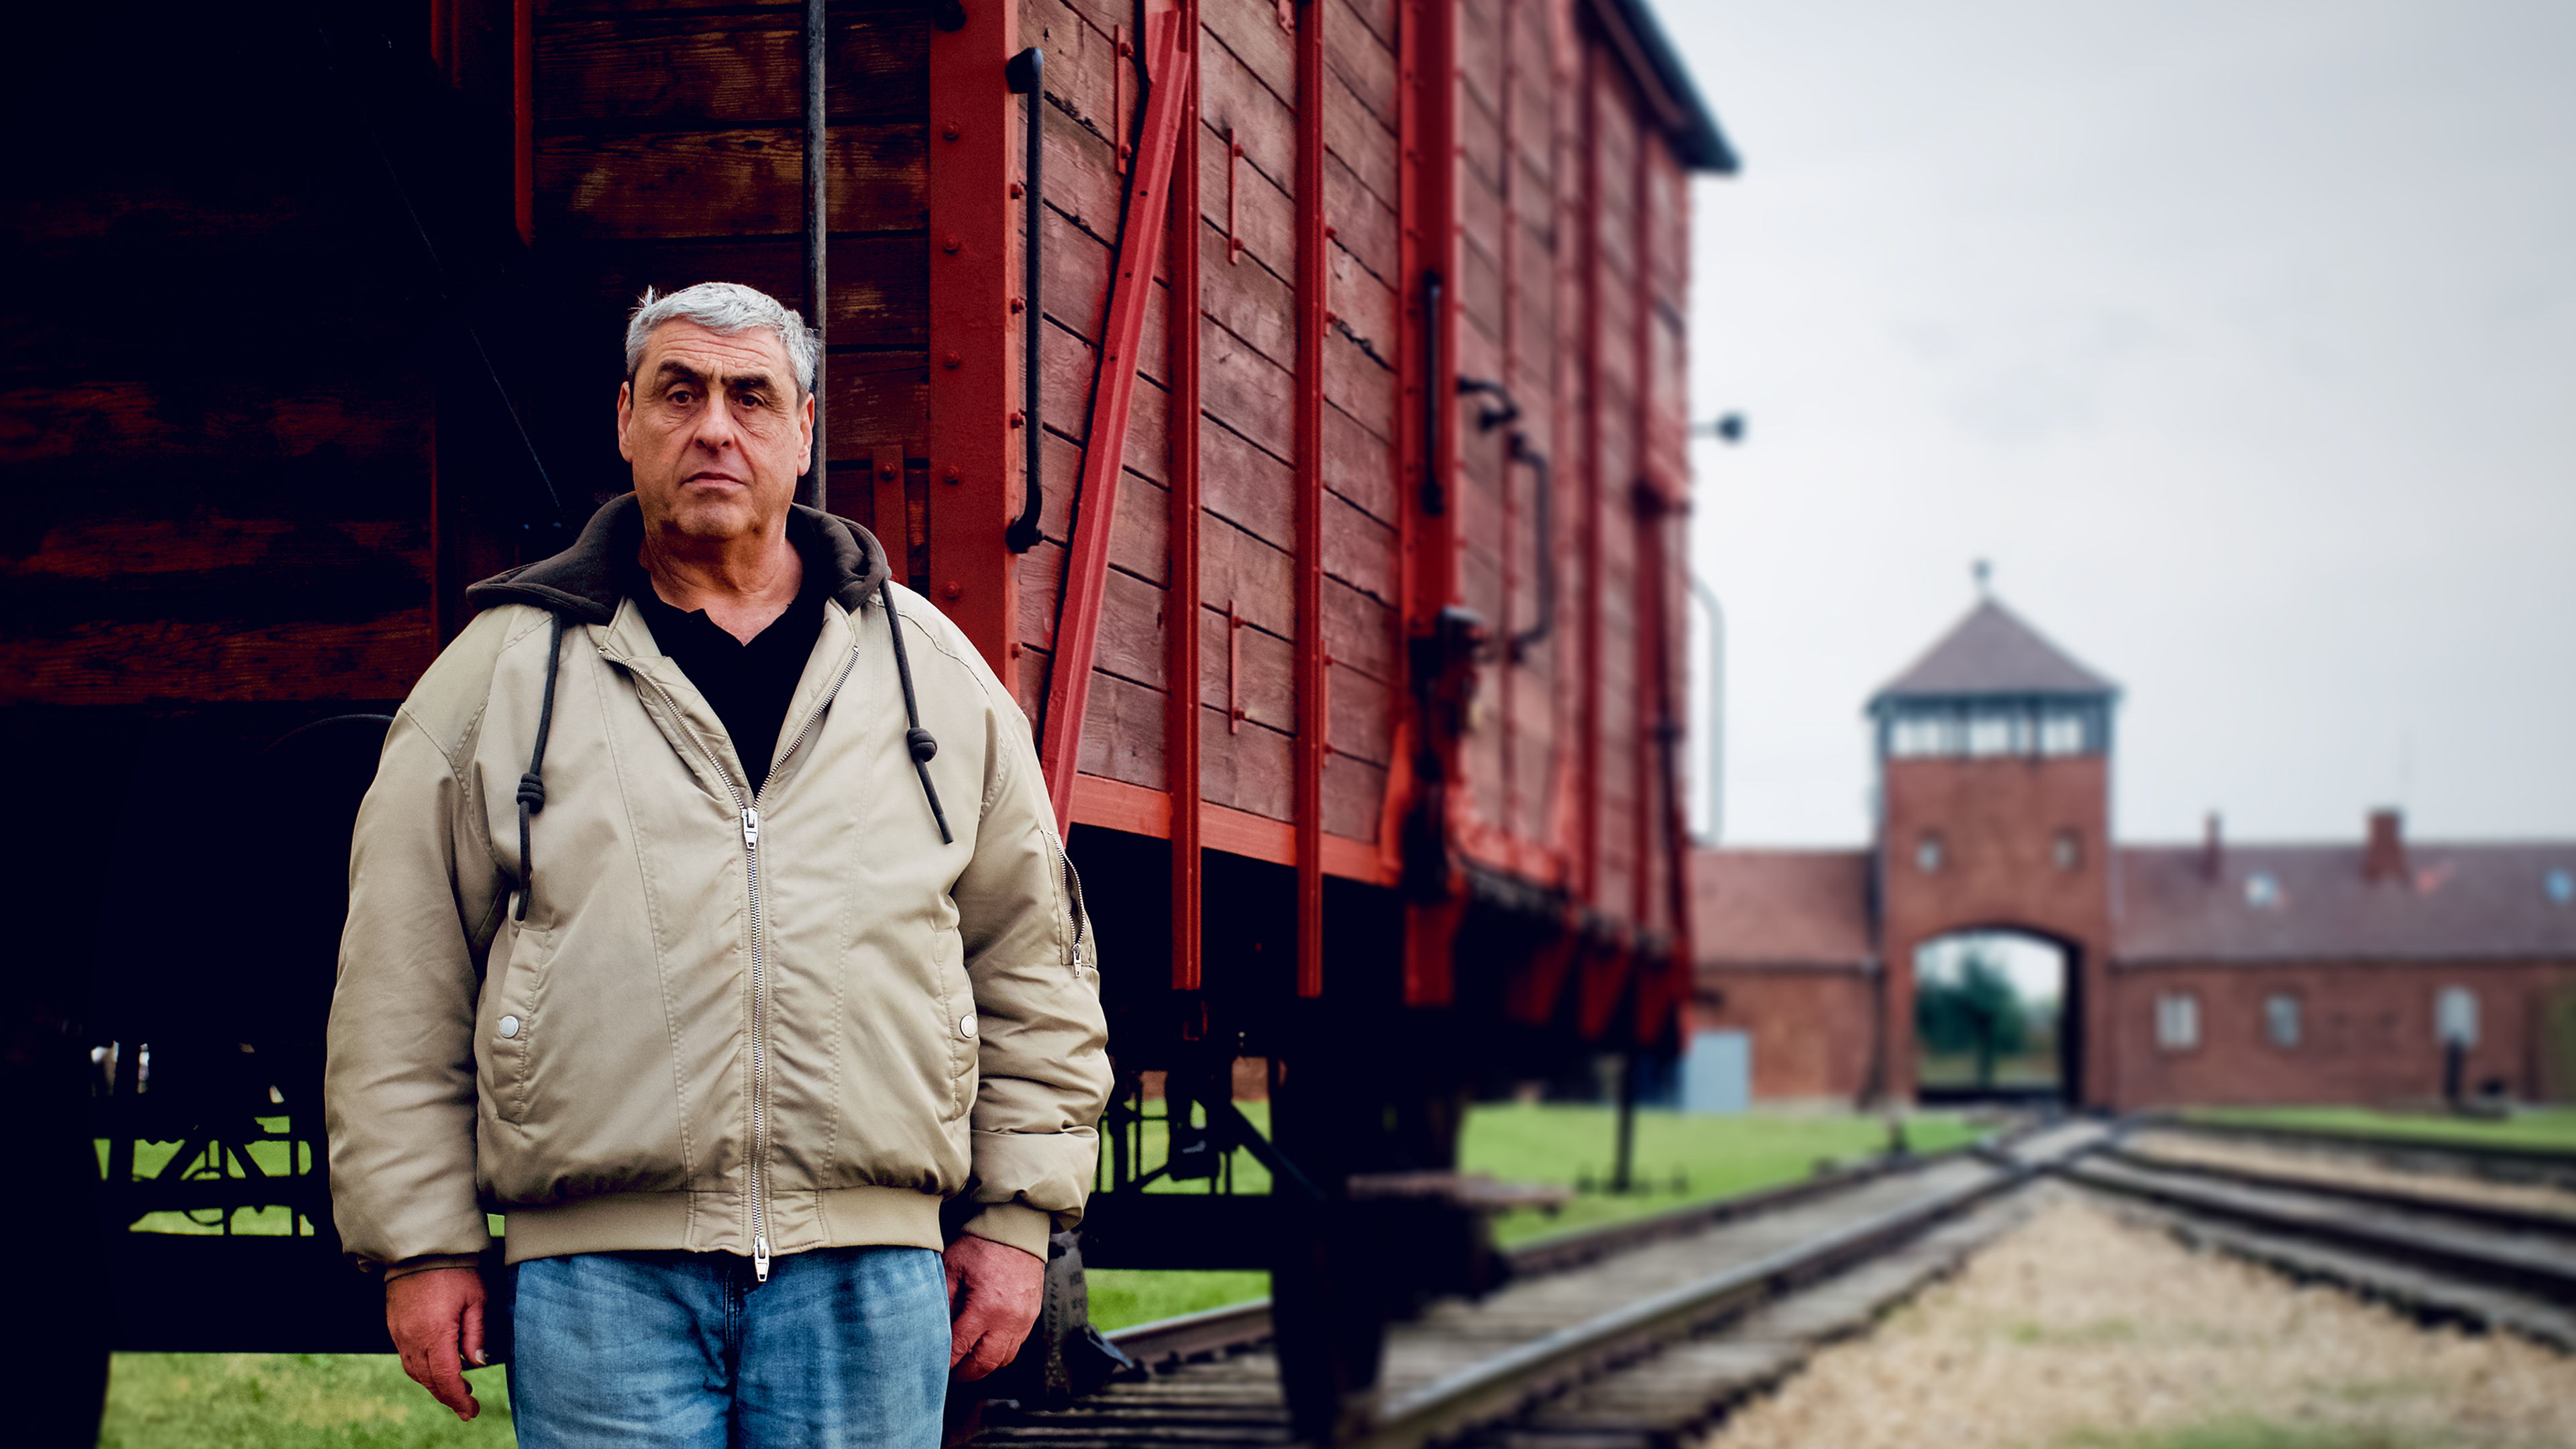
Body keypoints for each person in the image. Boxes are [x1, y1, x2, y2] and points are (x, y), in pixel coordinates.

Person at [325, 281, 1111, 1448]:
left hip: (865, 1275)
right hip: (599, 1282)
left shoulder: (933, 676)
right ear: (626, 421)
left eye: (751, 397)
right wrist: (424, 1245)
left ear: (804, 430)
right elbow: (400, 984)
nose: (715, 428)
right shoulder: (497, 677)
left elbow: (1035, 969)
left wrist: (1014, 1220)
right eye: (680, 394)